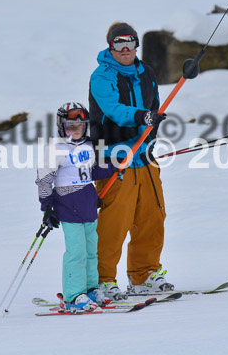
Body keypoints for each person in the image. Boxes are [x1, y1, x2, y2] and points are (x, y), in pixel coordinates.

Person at [89, 22, 174, 300]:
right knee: (116, 222)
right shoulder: (101, 76)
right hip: (114, 156)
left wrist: (151, 134)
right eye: (118, 43)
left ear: (136, 45)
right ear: (110, 46)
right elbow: (113, 110)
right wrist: (142, 118)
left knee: (152, 216)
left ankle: (144, 275)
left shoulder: (146, 72)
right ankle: (103, 280)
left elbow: (155, 109)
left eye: (130, 42)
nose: (125, 49)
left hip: (144, 157)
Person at [35, 102, 117, 312]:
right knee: (76, 252)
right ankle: (73, 294)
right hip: (68, 205)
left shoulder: (88, 146)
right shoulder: (55, 149)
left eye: (80, 126)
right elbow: (44, 181)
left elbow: (92, 172)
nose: (76, 130)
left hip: (88, 204)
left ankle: (90, 289)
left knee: (91, 251)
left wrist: (114, 167)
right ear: (62, 126)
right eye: (71, 126)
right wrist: (48, 207)